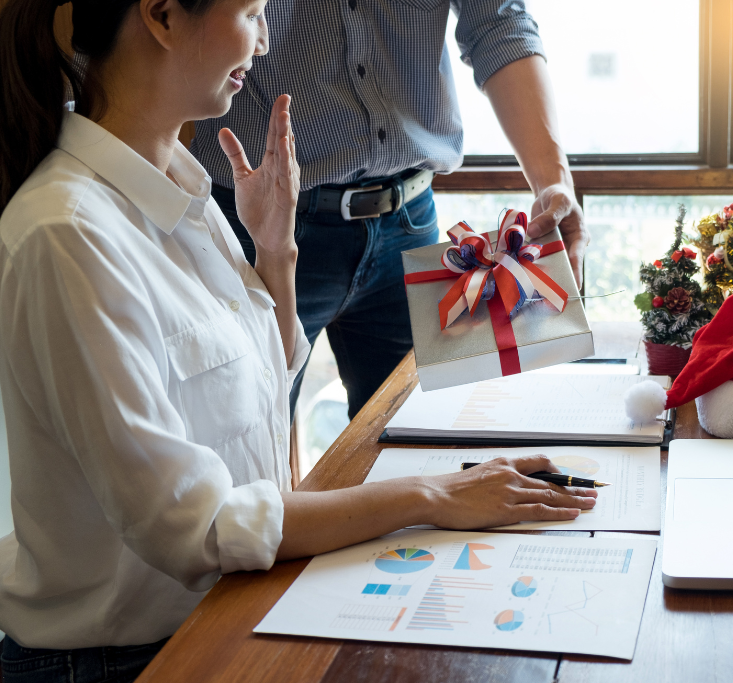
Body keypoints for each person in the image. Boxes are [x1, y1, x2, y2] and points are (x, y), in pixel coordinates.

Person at [0, 1, 596, 680]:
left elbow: (259, 383)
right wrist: (433, 495)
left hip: (225, 608)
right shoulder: (67, 232)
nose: (263, 41)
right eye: (253, 11)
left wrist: (275, 250)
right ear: (163, 17)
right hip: (123, 657)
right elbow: (195, 524)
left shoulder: (181, 191)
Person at [192, 0, 590, 420]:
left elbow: (497, 21)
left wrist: (553, 181)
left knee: (419, 441)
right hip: (259, 223)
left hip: (409, 223)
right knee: (247, 433)